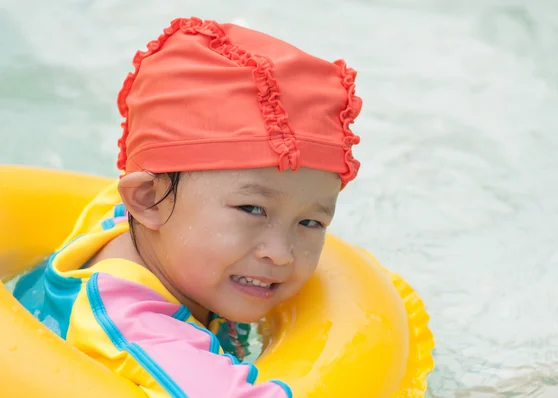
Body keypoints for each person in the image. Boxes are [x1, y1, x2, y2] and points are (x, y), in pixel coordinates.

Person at [13, 15, 362, 397]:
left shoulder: (129, 218)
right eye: (252, 209)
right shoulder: (132, 327)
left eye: (310, 221)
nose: (280, 254)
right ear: (147, 200)